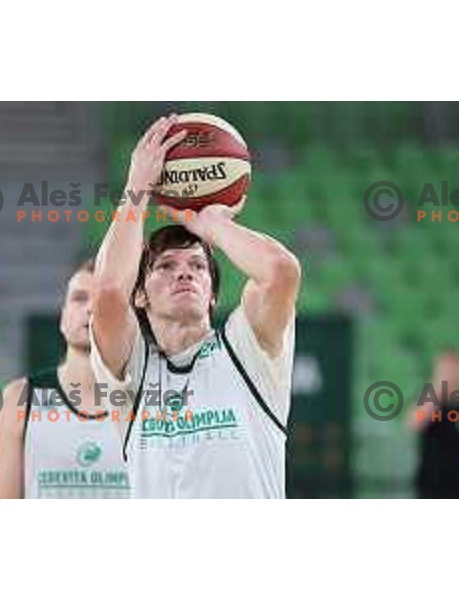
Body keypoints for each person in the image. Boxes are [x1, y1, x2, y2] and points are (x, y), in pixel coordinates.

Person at [90, 114, 301, 498]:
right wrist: (137, 188)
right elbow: (106, 291)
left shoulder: (247, 349)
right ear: (141, 295)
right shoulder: (132, 371)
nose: (183, 274)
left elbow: (281, 271)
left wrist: (211, 223)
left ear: (213, 294)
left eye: (198, 266)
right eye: (166, 266)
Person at [0, 259, 130, 499]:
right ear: (63, 318)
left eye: (105, 300)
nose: (91, 309)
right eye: (80, 298)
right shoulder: (20, 399)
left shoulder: (150, 400)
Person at [410, 348, 459, 499]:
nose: (450, 374)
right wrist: (439, 385)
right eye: (445, 369)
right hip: (429, 490)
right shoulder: (427, 401)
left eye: (454, 368)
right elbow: (414, 423)